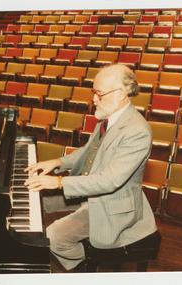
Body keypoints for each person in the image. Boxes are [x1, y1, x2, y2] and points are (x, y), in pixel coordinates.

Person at [24, 64, 157, 271]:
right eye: (93, 92)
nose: (94, 99)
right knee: (34, 198)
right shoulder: (107, 119)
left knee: (55, 235)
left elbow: (109, 181)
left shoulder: (137, 131)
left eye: (99, 94)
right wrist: (58, 163)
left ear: (121, 94)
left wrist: (59, 182)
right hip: (90, 193)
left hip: (112, 205)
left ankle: (84, 270)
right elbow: (87, 153)